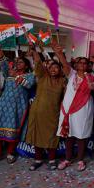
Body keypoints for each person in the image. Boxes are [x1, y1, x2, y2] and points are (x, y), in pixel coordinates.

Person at [0, 42, 36, 165]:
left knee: (13, 130)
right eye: (17, 62)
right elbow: (2, 61)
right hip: (3, 105)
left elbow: (28, 85)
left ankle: (10, 153)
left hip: (18, 107)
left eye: (21, 62)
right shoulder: (8, 73)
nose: (18, 64)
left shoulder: (30, 76)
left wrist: (17, 76)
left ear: (27, 65)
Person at [25, 42, 66, 171]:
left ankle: (52, 160)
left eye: (56, 68)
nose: (53, 69)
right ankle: (38, 160)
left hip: (53, 114)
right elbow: (37, 61)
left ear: (60, 70)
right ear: (47, 69)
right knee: (37, 136)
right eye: (51, 67)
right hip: (37, 113)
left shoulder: (63, 82)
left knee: (52, 137)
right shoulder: (42, 76)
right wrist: (34, 50)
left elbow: (65, 99)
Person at [56, 54, 94, 172]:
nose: (82, 65)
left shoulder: (91, 77)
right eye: (80, 63)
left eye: (85, 63)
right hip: (68, 108)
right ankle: (67, 159)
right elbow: (64, 63)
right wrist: (58, 53)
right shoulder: (71, 74)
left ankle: (80, 160)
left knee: (81, 134)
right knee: (69, 134)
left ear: (88, 66)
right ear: (76, 65)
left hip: (83, 108)